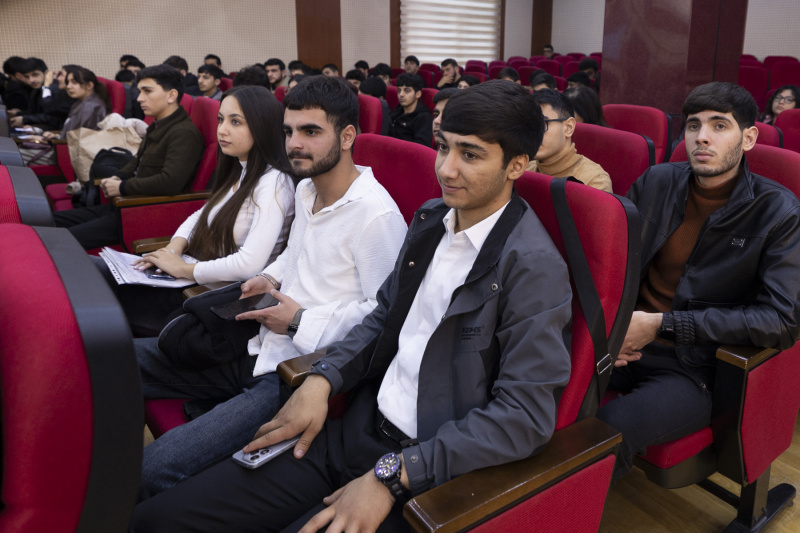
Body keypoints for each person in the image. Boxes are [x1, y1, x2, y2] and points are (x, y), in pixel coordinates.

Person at [131, 79, 572, 533]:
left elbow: (525, 417)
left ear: (517, 164)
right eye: (443, 147)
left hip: (424, 467)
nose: (446, 169)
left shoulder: (532, 267)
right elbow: (382, 318)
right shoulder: (431, 221)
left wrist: (394, 475)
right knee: (156, 520)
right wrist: (322, 379)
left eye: (471, 155)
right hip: (355, 429)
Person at [132, 75, 408, 502]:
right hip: (255, 344)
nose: (294, 144)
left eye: (310, 132)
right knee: (110, 359)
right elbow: (294, 254)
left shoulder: (376, 217)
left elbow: (384, 318)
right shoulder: (307, 188)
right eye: (288, 131)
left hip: (296, 373)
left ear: (347, 136)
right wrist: (272, 277)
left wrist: (299, 321)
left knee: (152, 469)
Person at [597, 81, 800, 482]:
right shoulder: (656, 181)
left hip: (693, 367)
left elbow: (781, 320)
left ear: (748, 138)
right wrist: (609, 330)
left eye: (719, 125)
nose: (702, 137)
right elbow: (614, 265)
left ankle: (556, 510)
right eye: (693, 125)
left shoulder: (779, 212)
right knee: (539, 385)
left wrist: (661, 325)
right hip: (624, 338)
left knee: (608, 431)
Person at [101, 85, 297, 333]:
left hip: (216, 296)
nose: (222, 130)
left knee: (100, 288)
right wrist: (174, 248)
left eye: (235, 122)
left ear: (262, 127)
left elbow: (250, 264)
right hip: (200, 277)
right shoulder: (241, 169)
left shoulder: (275, 182)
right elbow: (201, 215)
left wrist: (183, 269)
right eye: (221, 120)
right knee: (99, 273)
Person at [53, 64, 204, 250]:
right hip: (125, 205)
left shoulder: (183, 133)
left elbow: (170, 182)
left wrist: (122, 187)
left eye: (147, 91)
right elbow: (137, 160)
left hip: (143, 213)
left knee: (59, 241)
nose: (139, 98)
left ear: (171, 95)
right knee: (52, 220)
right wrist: (118, 176)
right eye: (139, 91)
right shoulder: (158, 125)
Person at [20, 65, 112, 166]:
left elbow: (83, 141)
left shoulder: (90, 108)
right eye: (68, 82)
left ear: (89, 85)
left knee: (16, 155)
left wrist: (55, 140)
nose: (68, 86)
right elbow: (75, 134)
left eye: (74, 83)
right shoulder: (81, 103)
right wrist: (56, 136)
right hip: (62, 148)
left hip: (69, 157)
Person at [526, 89, 612, 192]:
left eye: (542, 124)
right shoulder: (525, 169)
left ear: (568, 128)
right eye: (528, 125)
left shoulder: (593, 181)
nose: (532, 133)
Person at [9, 57, 75, 130]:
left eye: (35, 75)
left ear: (46, 73)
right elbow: (35, 113)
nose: (31, 80)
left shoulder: (56, 89)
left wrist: (25, 119)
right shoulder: (35, 89)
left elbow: (54, 116)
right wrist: (19, 114)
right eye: (27, 77)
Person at [390, 73, 432, 146]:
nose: (401, 94)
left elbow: (421, 146)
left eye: (407, 90)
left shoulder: (424, 117)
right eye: (399, 90)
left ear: (418, 94)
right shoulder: (397, 111)